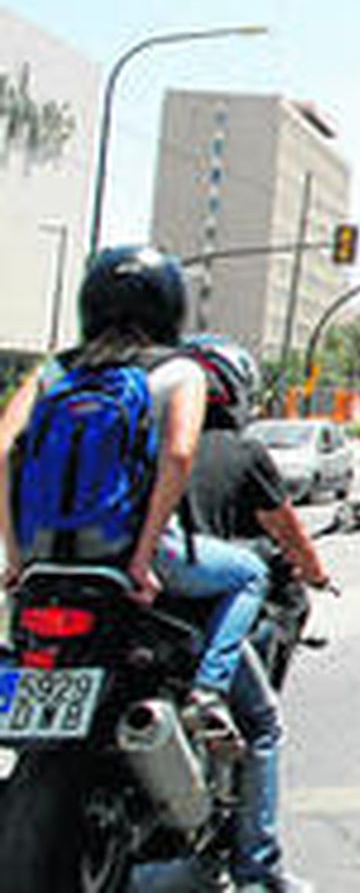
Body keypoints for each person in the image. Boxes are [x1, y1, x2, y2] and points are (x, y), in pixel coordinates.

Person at [0, 246, 266, 742]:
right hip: (132, 554)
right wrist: (142, 559)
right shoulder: (180, 371)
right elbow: (179, 455)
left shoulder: (53, 373)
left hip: (44, 561)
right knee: (251, 574)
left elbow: (1, 451)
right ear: (170, 306)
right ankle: (207, 692)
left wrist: (16, 557)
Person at [181, 333, 335, 892]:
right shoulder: (244, 454)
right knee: (262, 725)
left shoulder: (146, 442)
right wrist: (317, 575)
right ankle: (258, 867)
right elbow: (289, 532)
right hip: (193, 609)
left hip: (124, 599)